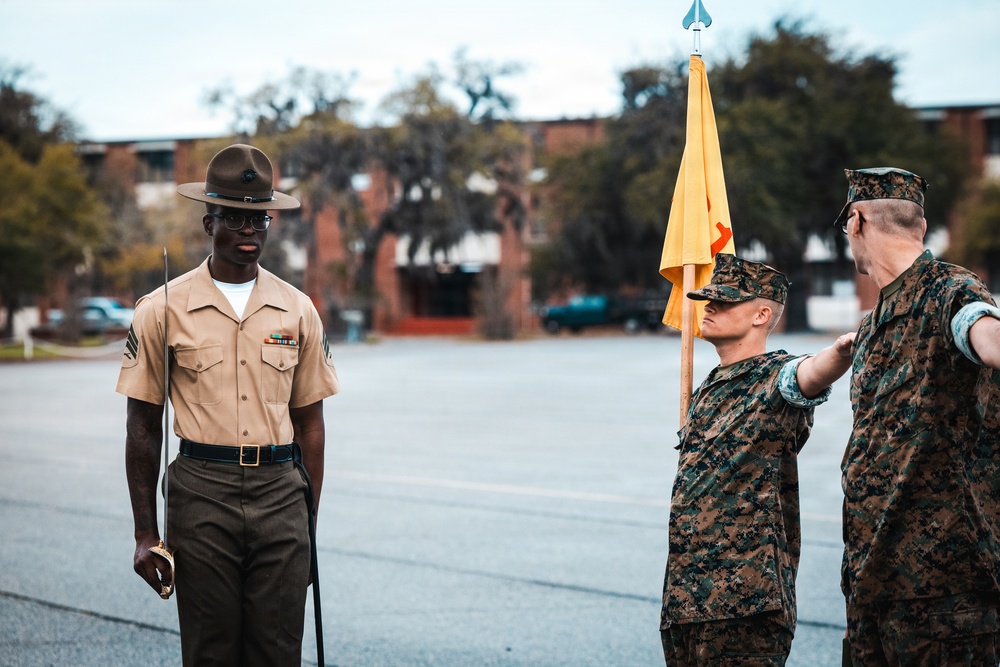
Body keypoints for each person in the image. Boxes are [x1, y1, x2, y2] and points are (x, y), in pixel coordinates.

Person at [117, 143, 340, 666]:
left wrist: (307, 522)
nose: (249, 230)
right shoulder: (162, 309)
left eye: (259, 218)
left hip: (281, 495)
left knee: (277, 652)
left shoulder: (298, 309)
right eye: (235, 217)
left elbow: (311, 424)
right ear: (208, 223)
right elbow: (142, 426)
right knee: (210, 652)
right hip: (201, 492)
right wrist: (146, 533)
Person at [835, 167, 1000, 665]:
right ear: (921, 226)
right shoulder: (874, 323)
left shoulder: (951, 290)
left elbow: (983, 332)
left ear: (856, 222)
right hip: (870, 584)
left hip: (942, 594)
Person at [660, 254, 855, 666]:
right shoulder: (710, 384)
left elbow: (808, 374)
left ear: (761, 315)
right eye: (709, 299)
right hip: (685, 600)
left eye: (725, 301)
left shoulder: (774, 377)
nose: (709, 307)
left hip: (744, 604)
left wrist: (840, 353)